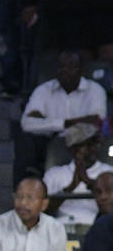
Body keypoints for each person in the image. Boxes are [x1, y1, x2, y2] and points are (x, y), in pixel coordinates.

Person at [16, 49, 106, 180]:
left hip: (83, 141)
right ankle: (30, 177)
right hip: (47, 140)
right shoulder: (43, 90)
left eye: (71, 67)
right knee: (24, 139)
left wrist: (48, 122)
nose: (66, 71)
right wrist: (67, 123)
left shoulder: (95, 90)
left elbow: (96, 123)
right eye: (62, 66)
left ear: (81, 69)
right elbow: (26, 123)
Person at [43, 122, 113, 227]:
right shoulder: (54, 174)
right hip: (61, 228)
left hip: (100, 228)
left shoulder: (109, 172)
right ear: (72, 149)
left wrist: (91, 184)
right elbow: (42, 208)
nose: (93, 148)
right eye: (86, 145)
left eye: (94, 143)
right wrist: (69, 189)